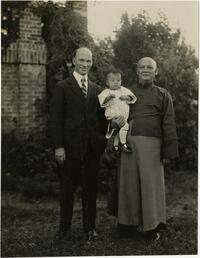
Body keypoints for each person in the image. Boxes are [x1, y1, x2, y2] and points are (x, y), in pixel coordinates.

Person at [111, 57, 179, 241]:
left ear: (156, 72)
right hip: (130, 145)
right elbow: (116, 115)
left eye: (150, 67)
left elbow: (169, 123)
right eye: (142, 67)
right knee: (128, 185)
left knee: (150, 186)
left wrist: (168, 152)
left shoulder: (163, 94)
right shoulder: (126, 93)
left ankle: (151, 227)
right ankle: (127, 226)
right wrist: (115, 124)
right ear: (137, 70)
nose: (145, 70)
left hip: (152, 146)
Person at [50, 47, 108, 241]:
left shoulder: (97, 89)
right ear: (74, 60)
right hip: (69, 149)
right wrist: (58, 146)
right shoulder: (62, 87)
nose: (85, 64)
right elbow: (55, 120)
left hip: (91, 150)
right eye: (81, 60)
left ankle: (89, 228)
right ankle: (64, 229)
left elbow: (102, 121)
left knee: (90, 190)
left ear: (92, 63)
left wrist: (103, 139)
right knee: (67, 190)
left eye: (88, 61)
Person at [98, 69, 137, 153]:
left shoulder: (124, 90)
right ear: (107, 82)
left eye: (118, 80)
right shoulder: (106, 92)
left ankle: (115, 146)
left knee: (119, 130)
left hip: (123, 115)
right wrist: (108, 98)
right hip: (113, 114)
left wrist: (127, 97)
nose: (116, 82)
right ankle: (123, 144)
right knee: (124, 127)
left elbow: (133, 98)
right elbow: (101, 101)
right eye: (113, 81)